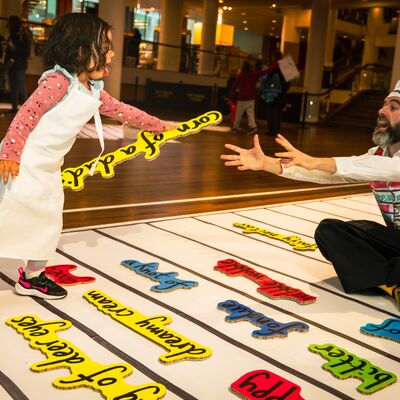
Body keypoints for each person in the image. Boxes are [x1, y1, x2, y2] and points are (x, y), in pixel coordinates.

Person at [0, 13, 174, 300]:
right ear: (79, 50)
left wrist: (157, 125)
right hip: (22, 161)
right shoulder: (58, 82)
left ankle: (32, 278)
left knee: (49, 221)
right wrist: (10, 152)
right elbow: (25, 116)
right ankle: (31, 275)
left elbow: (124, 111)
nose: (113, 54)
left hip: (49, 168)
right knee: (8, 214)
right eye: (105, 47)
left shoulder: (93, 90)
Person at [221, 80, 400, 309]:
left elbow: (389, 169)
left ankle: (386, 276)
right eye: (384, 105)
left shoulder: (380, 161)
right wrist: (267, 163)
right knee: (329, 231)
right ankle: (393, 282)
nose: (381, 111)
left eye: (393, 107)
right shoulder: (377, 154)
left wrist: (316, 160)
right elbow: (330, 175)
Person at [230, 60, 278, 135]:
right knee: (250, 113)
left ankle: (235, 127)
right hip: (251, 98)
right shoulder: (253, 75)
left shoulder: (241, 75)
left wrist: (232, 95)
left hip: (242, 98)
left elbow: (234, 85)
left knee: (238, 114)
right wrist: (275, 65)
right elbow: (265, 72)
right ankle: (253, 126)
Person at [4, 16, 31, 114]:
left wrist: (13, 47)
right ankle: (14, 108)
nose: (8, 25)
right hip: (12, 65)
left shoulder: (23, 35)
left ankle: (28, 110)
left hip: (19, 65)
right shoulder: (12, 35)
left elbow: (26, 52)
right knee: (13, 88)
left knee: (21, 87)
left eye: (9, 23)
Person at [259, 50, 290, 136]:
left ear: (274, 57)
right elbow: (288, 82)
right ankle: (276, 130)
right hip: (282, 94)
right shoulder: (286, 66)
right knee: (278, 112)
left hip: (272, 93)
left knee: (271, 111)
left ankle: (272, 130)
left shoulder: (273, 67)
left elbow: (266, 77)